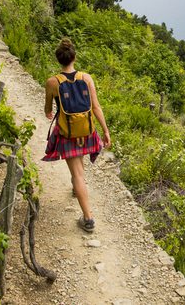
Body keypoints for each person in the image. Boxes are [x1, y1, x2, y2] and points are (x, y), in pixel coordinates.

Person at [43, 37, 111, 233]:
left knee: (78, 174)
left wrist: (50, 111)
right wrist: (105, 131)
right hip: (87, 131)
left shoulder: (52, 82)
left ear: (59, 60)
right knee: (79, 170)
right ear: (75, 57)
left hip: (67, 134)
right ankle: (76, 188)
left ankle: (88, 219)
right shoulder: (86, 78)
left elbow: (48, 110)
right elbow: (96, 107)